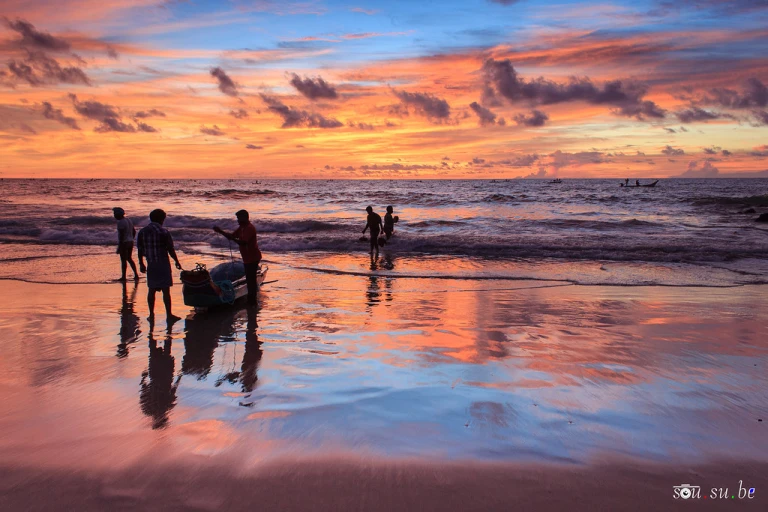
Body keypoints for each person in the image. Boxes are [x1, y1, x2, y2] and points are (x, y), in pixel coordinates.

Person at [137, 209, 182, 323]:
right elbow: (170, 249)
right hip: (163, 263)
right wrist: (176, 261)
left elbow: (140, 249)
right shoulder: (164, 232)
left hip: (151, 263)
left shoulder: (142, 232)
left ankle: (151, 314)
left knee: (151, 289)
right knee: (166, 290)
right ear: (161, 219)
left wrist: (141, 263)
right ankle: (169, 314)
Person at [213, 209, 262, 304]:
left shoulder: (249, 228)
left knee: (251, 280)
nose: (237, 220)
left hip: (253, 258)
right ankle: (251, 299)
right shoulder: (242, 228)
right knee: (249, 279)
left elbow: (243, 242)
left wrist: (234, 239)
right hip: (247, 258)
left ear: (244, 218)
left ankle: (252, 301)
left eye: (238, 218)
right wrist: (220, 231)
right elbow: (231, 236)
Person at [113, 207, 138, 281]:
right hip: (130, 242)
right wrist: (131, 238)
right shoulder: (128, 220)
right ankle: (136, 275)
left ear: (118, 214)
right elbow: (134, 231)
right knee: (129, 259)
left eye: (115, 214)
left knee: (123, 260)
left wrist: (119, 246)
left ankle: (123, 276)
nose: (114, 216)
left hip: (124, 243)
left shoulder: (120, 222)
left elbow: (121, 235)